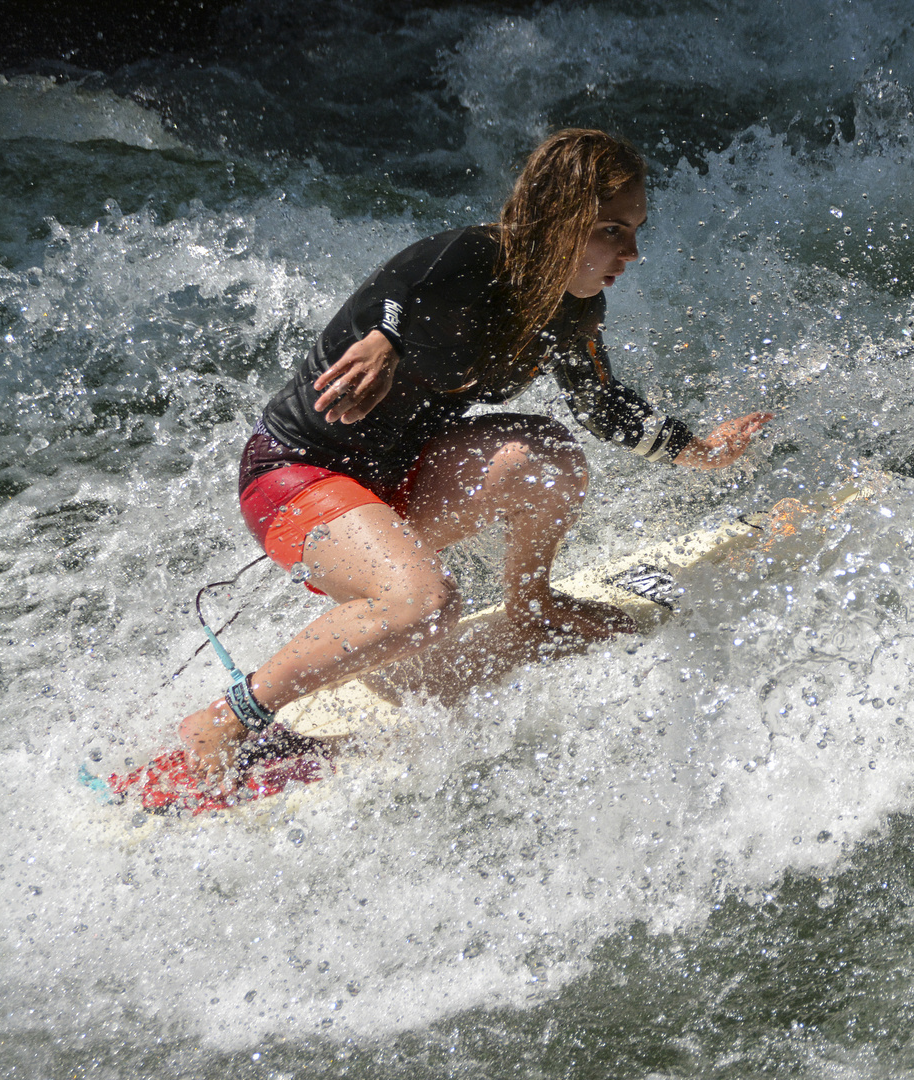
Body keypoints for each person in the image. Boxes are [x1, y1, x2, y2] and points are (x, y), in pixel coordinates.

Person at [177, 128, 772, 784]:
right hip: (294, 477)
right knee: (428, 605)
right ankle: (230, 720)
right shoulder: (474, 256)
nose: (631, 252)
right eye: (611, 230)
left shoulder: (573, 310)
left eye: (634, 230)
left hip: (391, 484)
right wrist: (384, 339)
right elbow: (401, 284)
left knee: (547, 457)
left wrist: (698, 450)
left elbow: (603, 407)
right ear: (560, 219)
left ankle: (531, 604)